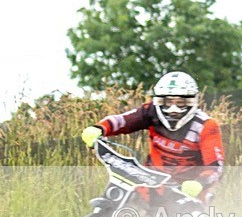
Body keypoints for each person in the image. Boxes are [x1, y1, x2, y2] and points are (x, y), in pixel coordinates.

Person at [80, 71, 224, 201]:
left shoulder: (207, 126)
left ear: (192, 101)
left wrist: (199, 183)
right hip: (149, 179)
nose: (173, 109)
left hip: (186, 189)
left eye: (180, 103)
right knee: (118, 203)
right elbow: (123, 120)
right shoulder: (151, 112)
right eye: (168, 102)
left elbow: (216, 167)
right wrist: (100, 128)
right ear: (159, 102)